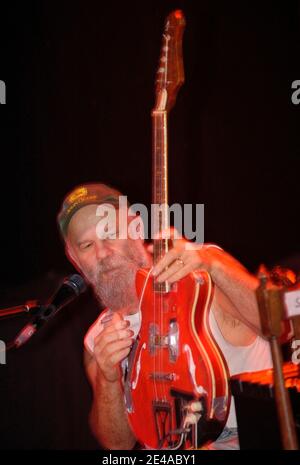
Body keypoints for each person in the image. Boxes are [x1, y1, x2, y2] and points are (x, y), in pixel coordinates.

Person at [57, 182, 272, 450]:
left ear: (137, 228)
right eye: (87, 245)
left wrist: (213, 265)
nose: (102, 253)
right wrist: (109, 378)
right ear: (74, 259)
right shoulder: (97, 340)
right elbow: (118, 446)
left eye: (110, 233)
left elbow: (278, 327)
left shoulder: (202, 274)